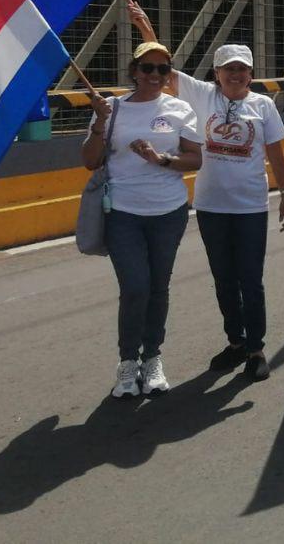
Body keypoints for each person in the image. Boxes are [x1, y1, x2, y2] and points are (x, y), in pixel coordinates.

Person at [128, 4, 284, 381]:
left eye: (242, 69)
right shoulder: (202, 96)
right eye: (228, 69)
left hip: (250, 207)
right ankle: (236, 342)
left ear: (251, 74)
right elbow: (163, 69)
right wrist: (145, 27)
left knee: (250, 279)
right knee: (223, 278)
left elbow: (275, 152)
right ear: (216, 73)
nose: (236, 75)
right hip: (211, 207)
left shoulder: (263, 105)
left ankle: (256, 348)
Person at [82, 41, 203, 399]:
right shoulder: (112, 108)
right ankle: (127, 362)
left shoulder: (179, 108)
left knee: (158, 287)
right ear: (134, 71)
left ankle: (152, 358)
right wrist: (99, 122)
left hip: (168, 212)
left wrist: (160, 159)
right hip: (123, 213)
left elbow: (195, 159)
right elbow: (90, 160)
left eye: (162, 69)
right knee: (135, 287)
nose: (155, 75)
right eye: (147, 67)